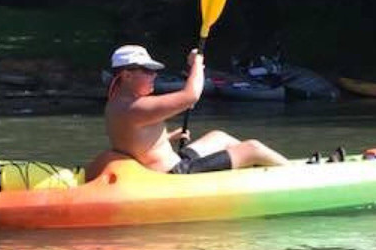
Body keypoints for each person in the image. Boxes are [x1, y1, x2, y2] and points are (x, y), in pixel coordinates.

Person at [86, 44, 289, 179]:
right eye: (147, 71)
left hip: (174, 162)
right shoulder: (134, 107)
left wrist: (168, 137)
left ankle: (250, 171)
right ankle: (295, 173)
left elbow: (133, 139)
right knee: (252, 147)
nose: (154, 75)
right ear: (127, 75)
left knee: (218, 136)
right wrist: (197, 65)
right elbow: (191, 96)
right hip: (174, 174)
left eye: (154, 71)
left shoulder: (118, 102)